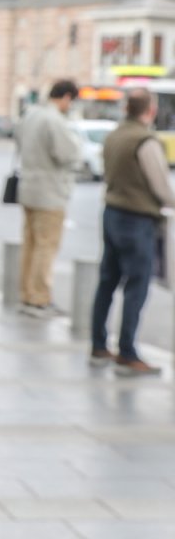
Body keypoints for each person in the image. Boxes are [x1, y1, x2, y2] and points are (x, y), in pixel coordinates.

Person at [88, 88, 175, 376]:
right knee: (136, 286)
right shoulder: (145, 140)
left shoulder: (114, 135)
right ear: (149, 110)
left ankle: (99, 344)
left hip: (111, 212)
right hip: (137, 219)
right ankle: (127, 352)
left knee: (107, 282)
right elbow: (161, 185)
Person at [13, 79, 81, 318]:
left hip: (28, 188)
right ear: (66, 98)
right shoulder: (54, 120)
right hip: (50, 192)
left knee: (30, 244)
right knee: (46, 246)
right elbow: (68, 154)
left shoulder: (30, 115)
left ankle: (26, 293)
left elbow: (19, 142)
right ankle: (40, 297)